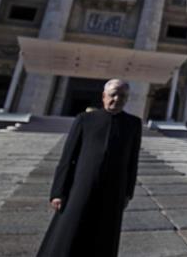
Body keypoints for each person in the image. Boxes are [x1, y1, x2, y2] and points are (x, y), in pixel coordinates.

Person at [37, 79, 141, 257]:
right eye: (113, 94)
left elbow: (133, 160)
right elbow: (68, 158)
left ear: (127, 99)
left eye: (122, 95)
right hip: (80, 186)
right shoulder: (85, 119)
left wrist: (128, 193)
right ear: (103, 96)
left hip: (114, 189)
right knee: (69, 231)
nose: (116, 99)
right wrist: (58, 191)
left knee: (104, 235)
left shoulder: (133, 123)